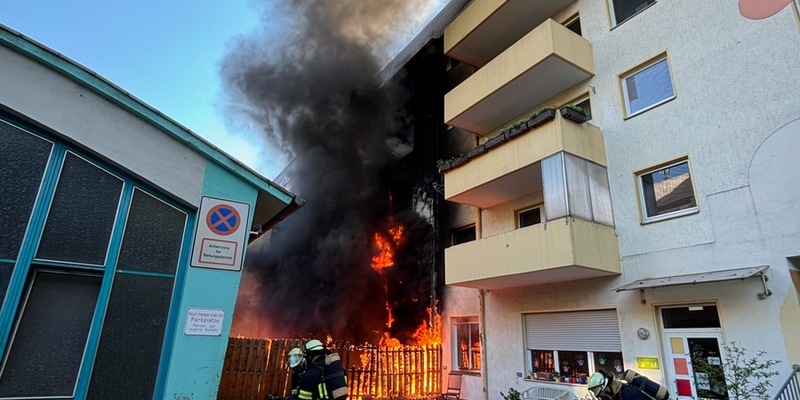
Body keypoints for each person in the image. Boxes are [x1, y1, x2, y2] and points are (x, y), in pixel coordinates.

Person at [588, 369, 660, 400]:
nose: (602, 398)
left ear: (606, 388)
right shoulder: (618, 395)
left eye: (602, 395)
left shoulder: (628, 394)